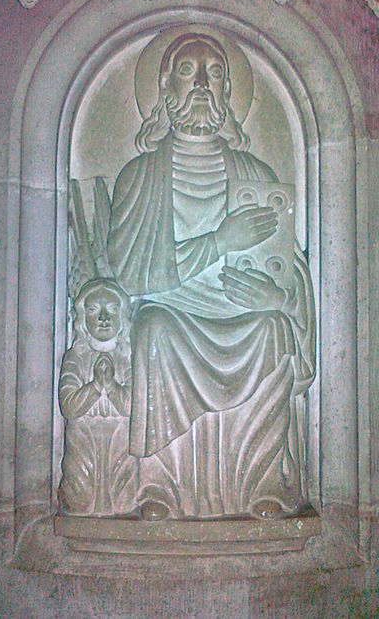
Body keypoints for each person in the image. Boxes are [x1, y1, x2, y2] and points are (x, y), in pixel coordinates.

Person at [107, 33, 315, 520]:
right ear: (165, 86)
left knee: (274, 331)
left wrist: (277, 297)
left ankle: (264, 484)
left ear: (227, 94)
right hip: (172, 313)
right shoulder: (138, 176)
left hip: (241, 314)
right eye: (187, 70)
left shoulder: (254, 172)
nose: (202, 83)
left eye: (215, 73)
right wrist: (221, 241)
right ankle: (158, 487)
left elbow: (292, 271)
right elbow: (132, 276)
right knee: (152, 331)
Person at [58, 278, 138, 516]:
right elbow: (68, 407)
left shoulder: (128, 358)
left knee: (123, 500)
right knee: (79, 500)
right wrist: (94, 386)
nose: (104, 317)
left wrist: (112, 386)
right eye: (94, 310)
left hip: (120, 441)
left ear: (123, 318)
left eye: (112, 309)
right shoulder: (76, 357)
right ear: (83, 319)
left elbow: (133, 407)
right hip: (83, 440)